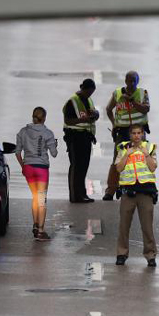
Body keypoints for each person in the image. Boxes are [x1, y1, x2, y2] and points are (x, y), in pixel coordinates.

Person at [115, 124, 158, 267]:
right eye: (134, 133)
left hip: (145, 192)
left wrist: (145, 154)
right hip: (128, 192)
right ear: (130, 135)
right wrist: (127, 154)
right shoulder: (122, 148)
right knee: (124, 226)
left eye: (139, 133)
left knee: (147, 227)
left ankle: (150, 255)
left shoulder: (150, 147)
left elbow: (152, 167)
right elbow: (119, 168)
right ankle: (121, 254)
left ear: (143, 134)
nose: (137, 136)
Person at [103, 71, 150, 200]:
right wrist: (113, 124)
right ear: (125, 80)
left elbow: (146, 109)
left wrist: (133, 102)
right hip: (122, 131)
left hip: (138, 133)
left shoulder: (142, 93)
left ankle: (136, 189)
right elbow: (108, 109)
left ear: (138, 81)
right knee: (117, 161)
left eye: (134, 80)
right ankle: (111, 190)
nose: (132, 83)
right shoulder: (117, 93)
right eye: (129, 80)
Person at [15, 107, 58, 241]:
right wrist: (54, 145)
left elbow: (17, 152)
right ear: (44, 118)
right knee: (41, 199)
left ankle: (35, 224)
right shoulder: (48, 133)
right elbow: (54, 154)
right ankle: (40, 230)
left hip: (28, 168)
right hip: (41, 169)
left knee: (35, 197)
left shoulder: (23, 132)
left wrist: (23, 166)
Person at [62, 79, 100, 203]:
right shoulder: (72, 101)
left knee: (84, 166)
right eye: (89, 92)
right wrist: (83, 120)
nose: (90, 95)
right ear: (83, 89)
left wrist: (95, 115)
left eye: (92, 92)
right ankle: (74, 196)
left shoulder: (88, 100)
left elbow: (91, 115)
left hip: (86, 137)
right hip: (74, 137)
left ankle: (82, 194)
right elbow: (68, 120)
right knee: (76, 166)